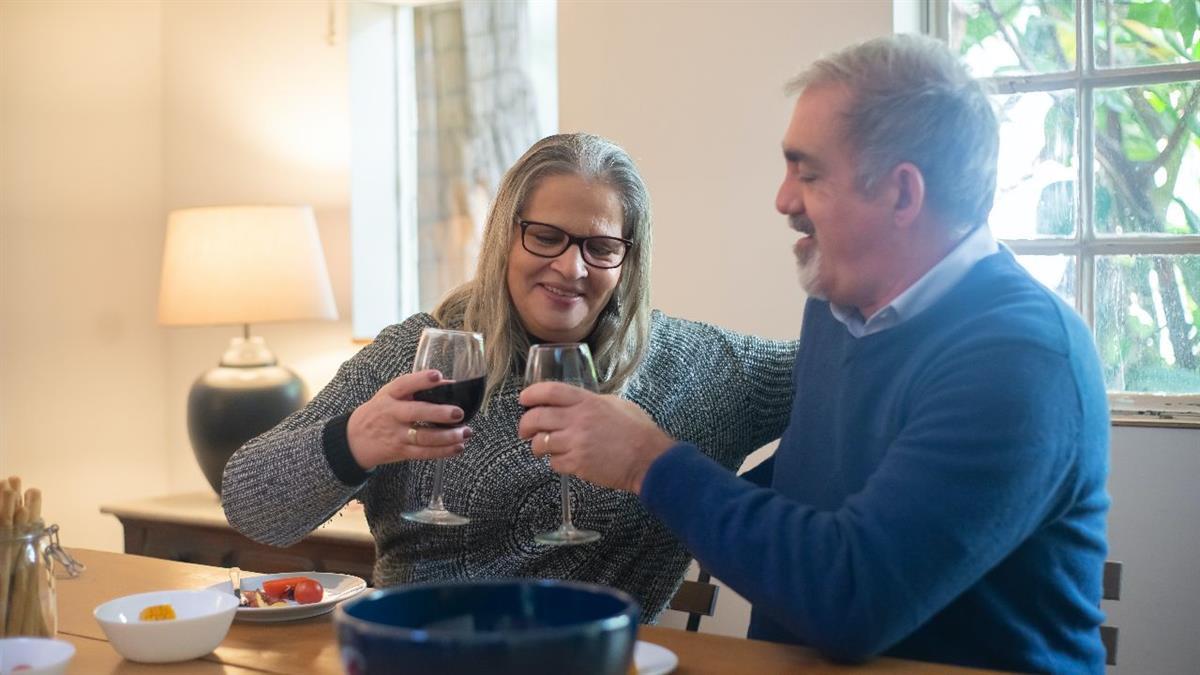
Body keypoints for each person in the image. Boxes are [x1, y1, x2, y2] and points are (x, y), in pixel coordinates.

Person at [519, 35, 1110, 673]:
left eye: (808, 173)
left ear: (902, 195)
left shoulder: (1021, 358)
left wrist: (648, 462)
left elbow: (850, 600)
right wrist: (636, 504)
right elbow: (806, 484)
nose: (783, 200)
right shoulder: (837, 310)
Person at [221, 132, 797, 622]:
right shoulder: (413, 355)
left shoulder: (695, 369)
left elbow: (833, 368)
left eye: (600, 247)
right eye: (546, 237)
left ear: (630, 260)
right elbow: (250, 505)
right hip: (424, 656)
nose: (570, 268)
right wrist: (351, 441)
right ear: (504, 235)